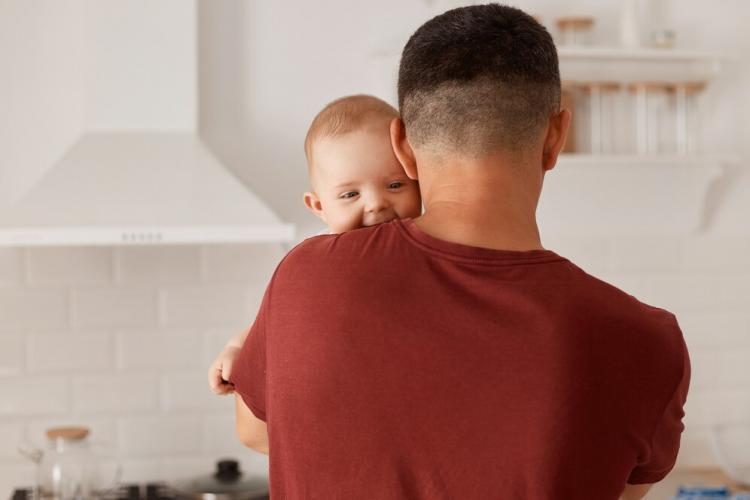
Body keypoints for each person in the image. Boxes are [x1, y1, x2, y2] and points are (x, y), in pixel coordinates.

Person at [229, 4, 691, 500]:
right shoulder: (645, 342)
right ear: (555, 138)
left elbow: (257, 432)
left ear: (402, 144)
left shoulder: (305, 278)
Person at [207, 94, 422, 395]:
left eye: (395, 185)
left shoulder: (428, 244)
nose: (376, 203)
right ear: (318, 206)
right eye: (350, 195)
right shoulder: (314, 264)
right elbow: (272, 323)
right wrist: (235, 348)